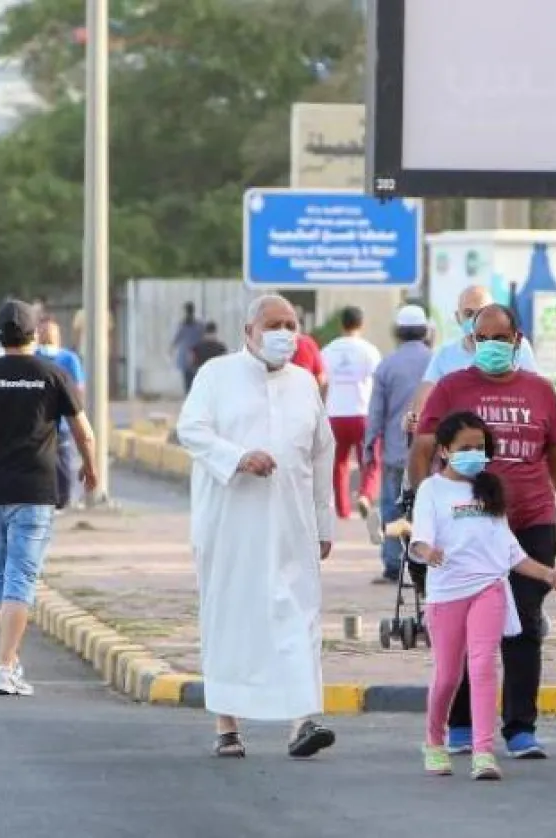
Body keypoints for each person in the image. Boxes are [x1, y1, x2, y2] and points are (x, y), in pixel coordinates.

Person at [411, 303, 556, 759]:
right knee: (470, 625)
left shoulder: (540, 390)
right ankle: (464, 723)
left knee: (524, 622)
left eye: (499, 339)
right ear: (471, 341)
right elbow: (425, 445)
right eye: (481, 339)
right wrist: (421, 507)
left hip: (531, 520)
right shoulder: (451, 387)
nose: (490, 347)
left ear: (517, 340)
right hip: (469, 528)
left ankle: (520, 727)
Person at [175, 293, 338, 759]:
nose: (284, 333)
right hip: (230, 523)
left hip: (292, 522)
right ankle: (227, 726)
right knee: (232, 618)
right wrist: (237, 457)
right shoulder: (216, 375)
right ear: (248, 331)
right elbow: (192, 430)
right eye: (273, 324)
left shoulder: (306, 383)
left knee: (298, 615)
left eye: (291, 324)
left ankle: (303, 722)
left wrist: (324, 520)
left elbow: (322, 453)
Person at [0, 301, 100, 697]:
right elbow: (84, 432)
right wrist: (91, 466)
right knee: (21, 578)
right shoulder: (54, 374)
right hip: (35, 488)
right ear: (34, 334)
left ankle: (10, 661)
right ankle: (4, 667)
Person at [412, 411, 556, 780]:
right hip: (447, 591)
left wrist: (549, 574)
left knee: (482, 666)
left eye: (480, 447)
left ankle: (483, 752)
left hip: (488, 588)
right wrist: (427, 552)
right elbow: (419, 539)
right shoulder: (432, 489)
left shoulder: (489, 488)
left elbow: (508, 551)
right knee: (448, 675)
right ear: (445, 450)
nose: (474, 454)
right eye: (465, 448)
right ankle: (434, 741)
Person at [364, 304, 433, 580]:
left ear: (397, 332)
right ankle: (425, 563)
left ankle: (394, 564)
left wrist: (369, 446)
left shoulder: (387, 365)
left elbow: (376, 412)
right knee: (428, 506)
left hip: (396, 451)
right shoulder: (437, 361)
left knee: (393, 507)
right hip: (431, 452)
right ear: (426, 330)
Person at [407, 285, 541, 425]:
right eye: (469, 313)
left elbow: (537, 394)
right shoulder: (445, 355)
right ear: (458, 318)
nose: (476, 320)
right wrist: (415, 420)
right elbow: (424, 397)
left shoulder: (517, 347)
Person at [322, 306, 384, 522]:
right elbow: (378, 384)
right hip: (362, 413)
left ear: (342, 324)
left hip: (335, 414)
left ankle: (343, 510)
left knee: (338, 463)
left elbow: (322, 381)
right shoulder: (369, 350)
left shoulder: (329, 350)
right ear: (362, 325)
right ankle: (365, 495)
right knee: (370, 461)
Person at [36, 320, 87, 510]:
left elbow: (79, 387)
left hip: (63, 422)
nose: (47, 335)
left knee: (64, 463)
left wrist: (76, 411)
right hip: (38, 423)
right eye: (43, 332)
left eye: (51, 332)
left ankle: (63, 500)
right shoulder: (32, 357)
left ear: (58, 335)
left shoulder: (69, 358)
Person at [172, 302, 206, 394]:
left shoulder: (182, 325)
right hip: (197, 355)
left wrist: (171, 348)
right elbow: (203, 338)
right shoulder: (199, 326)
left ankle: (188, 397)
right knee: (196, 378)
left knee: (187, 380)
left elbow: (176, 339)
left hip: (185, 355)